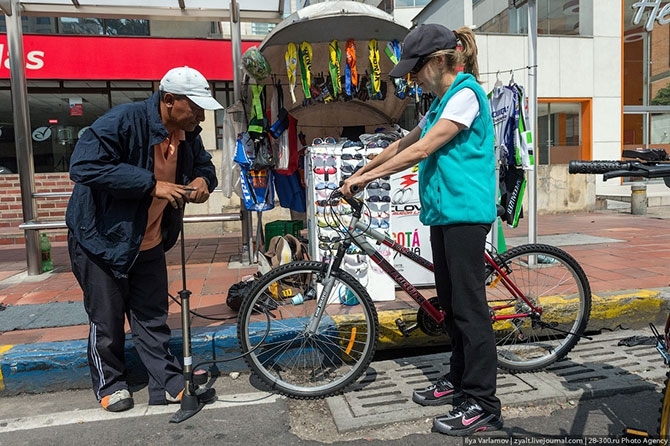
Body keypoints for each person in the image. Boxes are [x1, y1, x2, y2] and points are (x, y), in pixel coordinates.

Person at [340, 24, 503, 436]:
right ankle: (459, 379)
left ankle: (483, 402)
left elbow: (424, 149)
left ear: (438, 61)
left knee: (469, 309)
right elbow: (403, 142)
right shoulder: (439, 102)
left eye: (415, 69)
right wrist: (362, 170)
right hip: (445, 215)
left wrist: (366, 180)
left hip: (465, 215)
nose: (412, 78)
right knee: (449, 304)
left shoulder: (466, 95)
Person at [66, 66, 221, 412]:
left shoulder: (188, 134)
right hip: (101, 240)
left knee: (152, 316)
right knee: (106, 319)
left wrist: (202, 182)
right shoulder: (123, 120)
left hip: (148, 240)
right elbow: (83, 166)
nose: (200, 115)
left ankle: (166, 383)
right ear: (168, 100)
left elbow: (205, 167)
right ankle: (111, 383)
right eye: (194, 106)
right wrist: (150, 184)